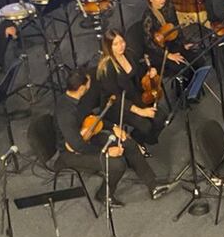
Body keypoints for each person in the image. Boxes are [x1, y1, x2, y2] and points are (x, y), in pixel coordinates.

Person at [53, 67, 168, 206]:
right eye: (89, 82)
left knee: (128, 143)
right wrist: (106, 152)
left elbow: (93, 119)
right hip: (71, 152)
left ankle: (153, 185)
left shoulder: (80, 99)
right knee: (117, 164)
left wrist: (114, 127)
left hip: (87, 137)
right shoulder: (65, 112)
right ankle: (103, 195)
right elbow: (77, 145)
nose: (91, 83)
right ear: (82, 87)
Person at [94, 29, 165, 148]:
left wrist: (149, 73)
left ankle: (138, 138)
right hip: (117, 106)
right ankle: (137, 142)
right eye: (115, 44)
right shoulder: (107, 68)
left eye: (122, 42)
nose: (120, 46)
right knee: (145, 125)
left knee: (161, 117)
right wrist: (141, 111)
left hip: (133, 95)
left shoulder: (129, 53)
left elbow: (138, 71)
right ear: (108, 47)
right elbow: (116, 98)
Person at [140, 0, 195, 73]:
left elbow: (176, 26)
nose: (163, 0)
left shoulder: (169, 7)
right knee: (182, 68)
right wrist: (168, 55)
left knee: (196, 58)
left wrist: (183, 43)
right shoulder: (148, 16)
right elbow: (149, 43)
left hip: (172, 42)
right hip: (158, 51)